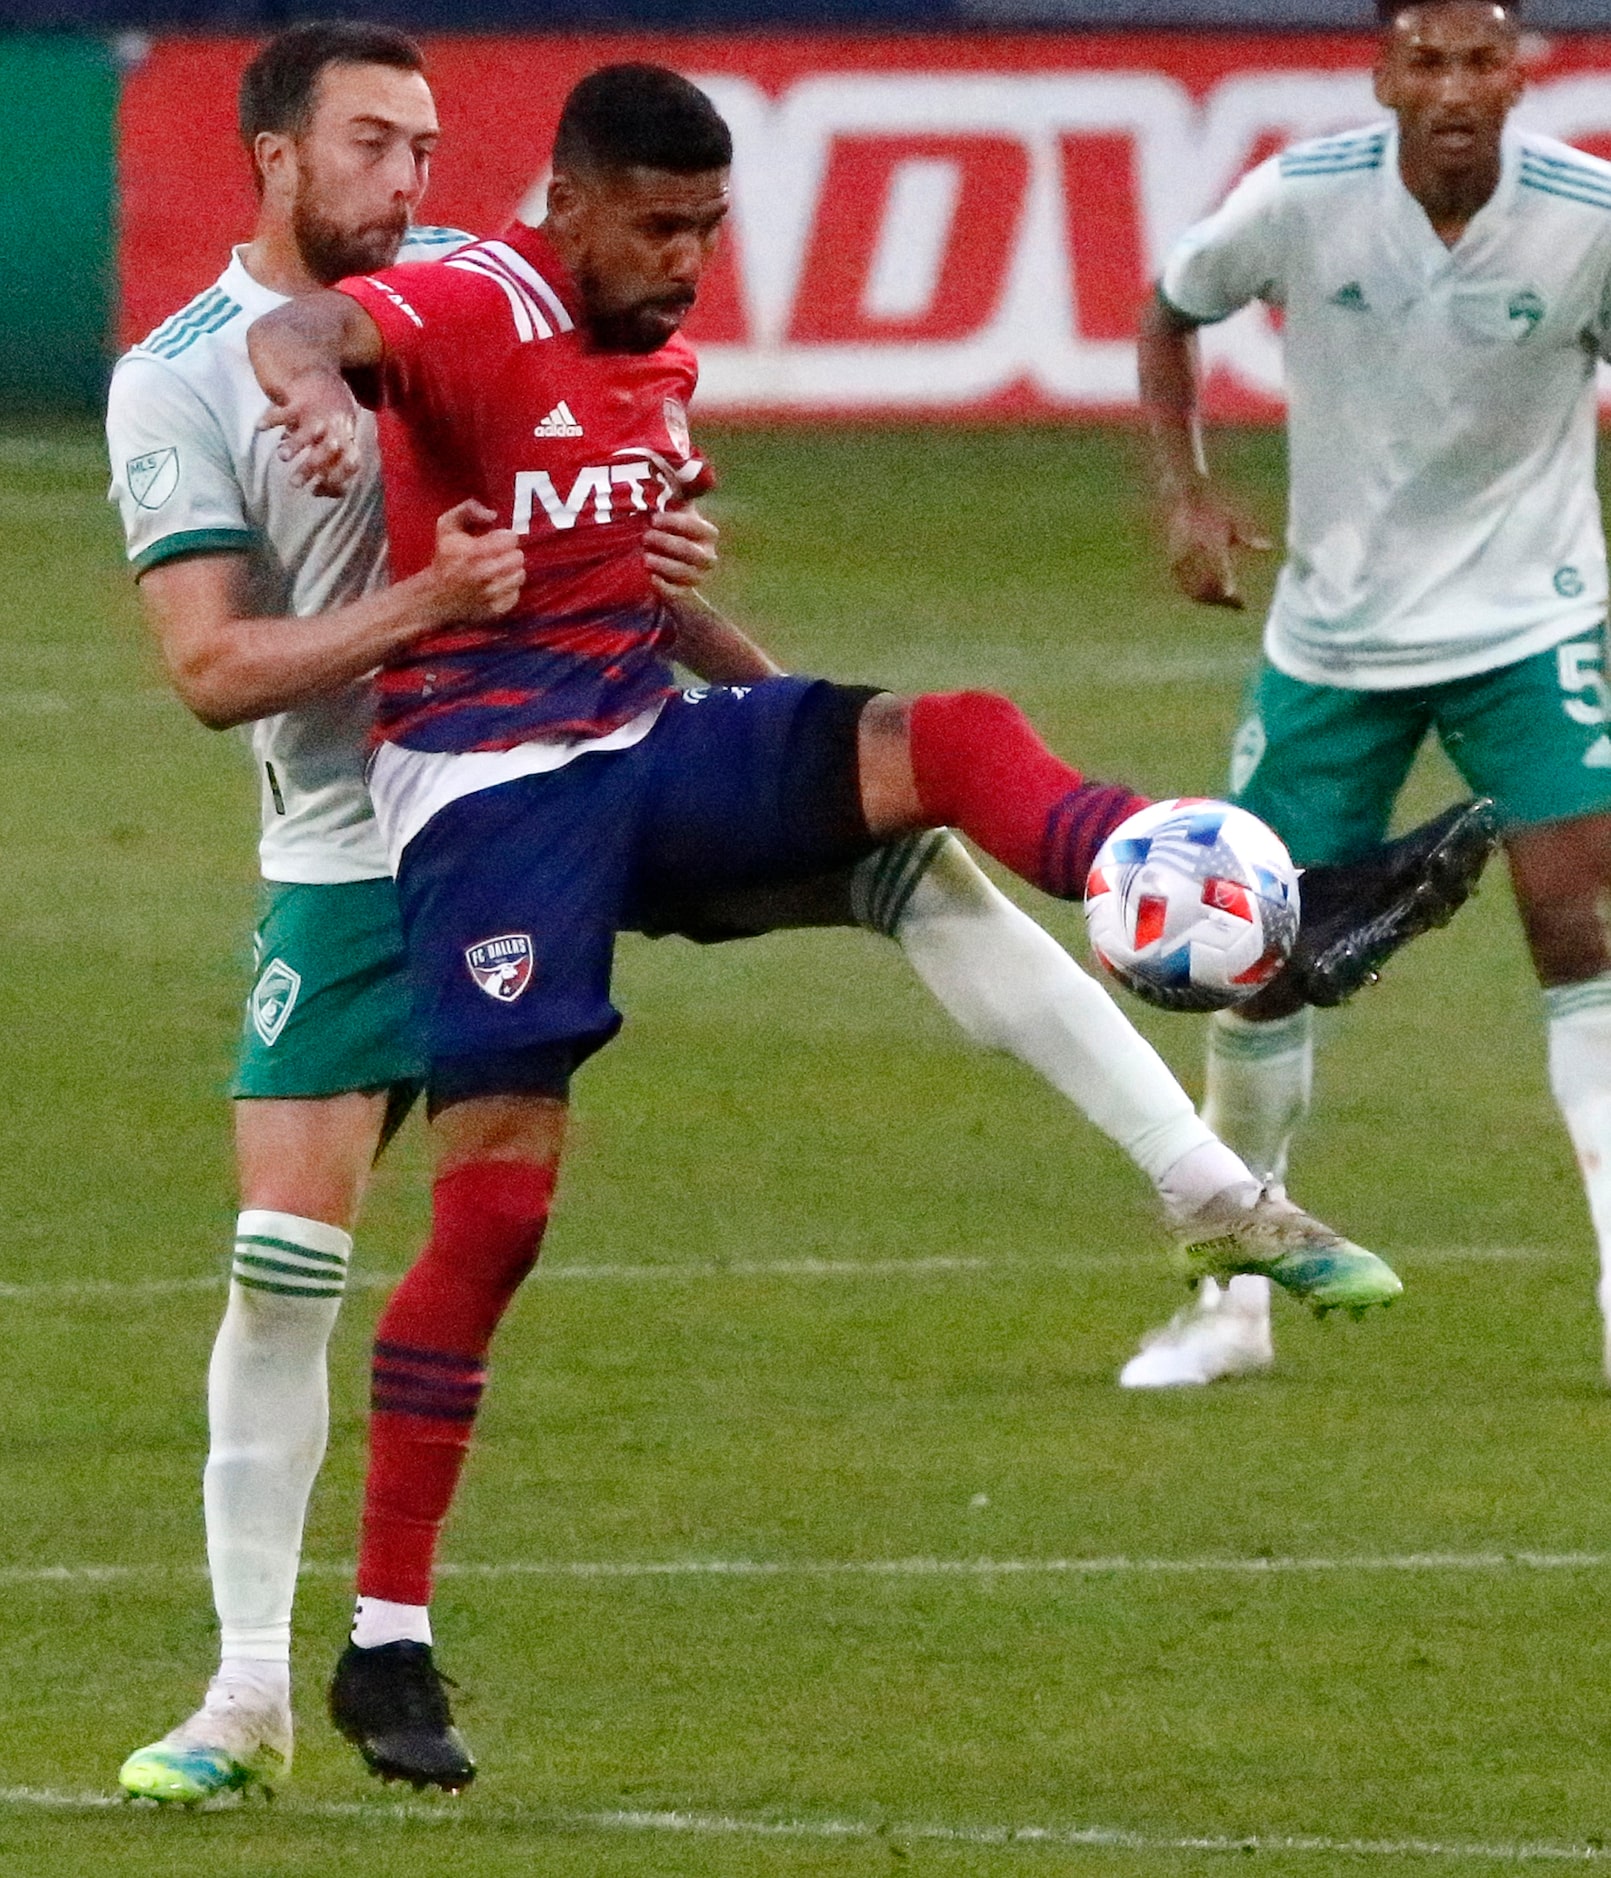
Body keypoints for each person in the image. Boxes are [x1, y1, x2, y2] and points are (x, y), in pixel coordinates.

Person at [245, 63, 1465, 1793]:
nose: (687, 262)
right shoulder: (475, 297)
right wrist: (306, 402)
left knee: (949, 736)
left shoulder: (652, 359)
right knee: (499, 1210)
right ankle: (382, 1639)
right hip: (487, 803)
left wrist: (810, 728)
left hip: (652, 750)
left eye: (712, 231)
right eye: (658, 227)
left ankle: (1183, 880)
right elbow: (309, 342)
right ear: (571, 204)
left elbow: (642, 597)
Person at [104, 24, 726, 1807]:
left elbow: (597, 546)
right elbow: (217, 669)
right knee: (286, 1261)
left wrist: (686, 599)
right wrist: (437, 598)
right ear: (273, 158)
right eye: (370, 142)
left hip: (532, 808)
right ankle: (243, 1698)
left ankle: (1216, 1190)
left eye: (430, 145)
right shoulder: (186, 376)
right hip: (342, 854)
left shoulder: (493, 309)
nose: (409, 177)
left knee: (901, 834)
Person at [1123, 0, 1611, 1388]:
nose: (1454, 86)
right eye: (1428, 60)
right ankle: (1234, 1301)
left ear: (1522, 76)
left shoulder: (1590, 215)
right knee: (1255, 959)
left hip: (1532, 619)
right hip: (1333, 638)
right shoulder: (1301, 201)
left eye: (1481, 59)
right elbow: (1170, 312)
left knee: (1580, 926)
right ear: (1383, 76)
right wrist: (1191, 497)